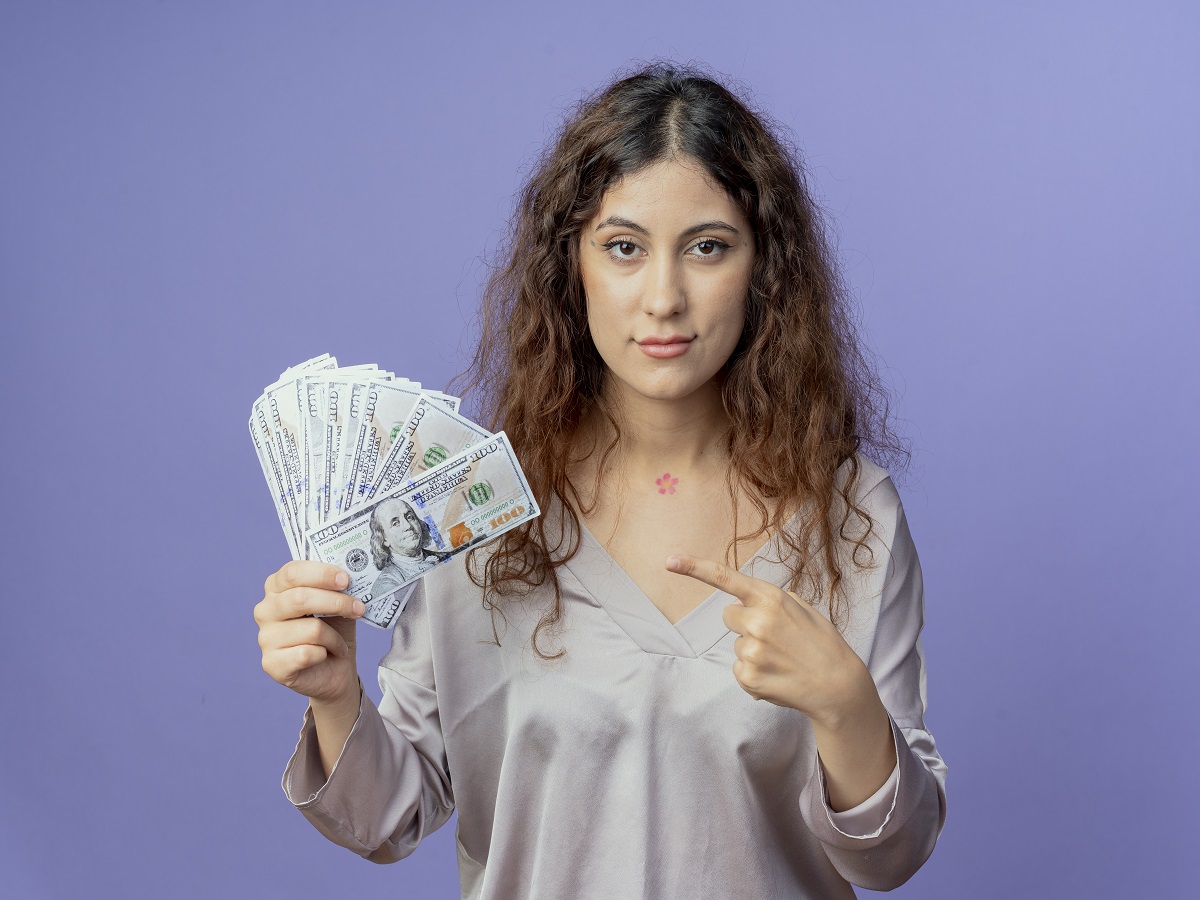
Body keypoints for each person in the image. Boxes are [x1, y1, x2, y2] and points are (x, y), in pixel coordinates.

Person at [255, 62, 947, 898]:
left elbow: (891, 857)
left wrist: (847, 707)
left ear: (764, 269)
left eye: (708, 248)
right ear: (570, 267)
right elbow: (390, 815)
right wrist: (335, 696)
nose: (665, 298)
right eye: (623, 247)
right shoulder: (476, 509)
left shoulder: (851, 516)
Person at [367, 497, 444, 600]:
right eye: (395, 523)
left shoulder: (444, 557)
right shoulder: (387, 584)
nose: (408, 526)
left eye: (410, 517)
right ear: (384, 539)